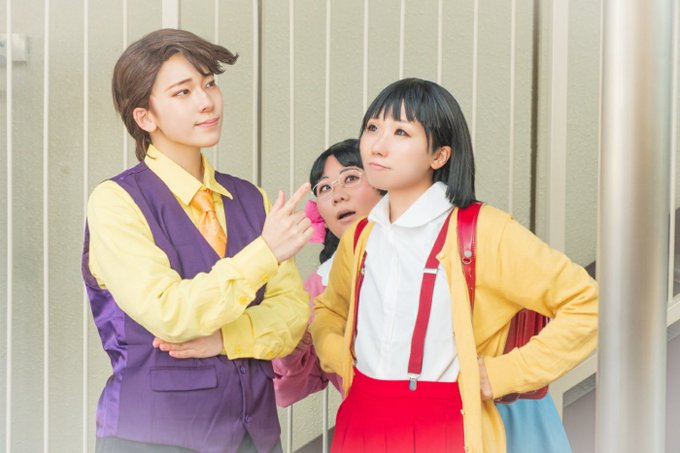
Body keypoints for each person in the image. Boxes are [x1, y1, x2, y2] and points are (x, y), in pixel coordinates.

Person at [310, 78, 598, 453]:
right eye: (373, 128)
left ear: (439, 155)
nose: (378, 145)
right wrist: (339, 355)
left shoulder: (484, 230)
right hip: (360, 419)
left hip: (444, 426)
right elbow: (329, 310)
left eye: (401, 132)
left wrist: (501, 374)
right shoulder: (362, 236)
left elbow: (588, 305)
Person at [82, 28, 312, 453]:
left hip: (255, 438)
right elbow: (169, 312)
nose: (207, 101)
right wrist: (264, 253)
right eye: (183, 92)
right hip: (152, 438)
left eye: (209, 84)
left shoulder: (251, 198)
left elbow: (293, 313)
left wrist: (227, 339)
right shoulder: (116, 201)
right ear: (145, 118)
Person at [271, 138, 383, 406]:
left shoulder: (438, 250)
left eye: (351, 178)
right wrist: (292, 349)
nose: (337, 195)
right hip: (365, 422)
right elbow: (286, 391)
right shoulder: (320, 286)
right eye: (324, 188)